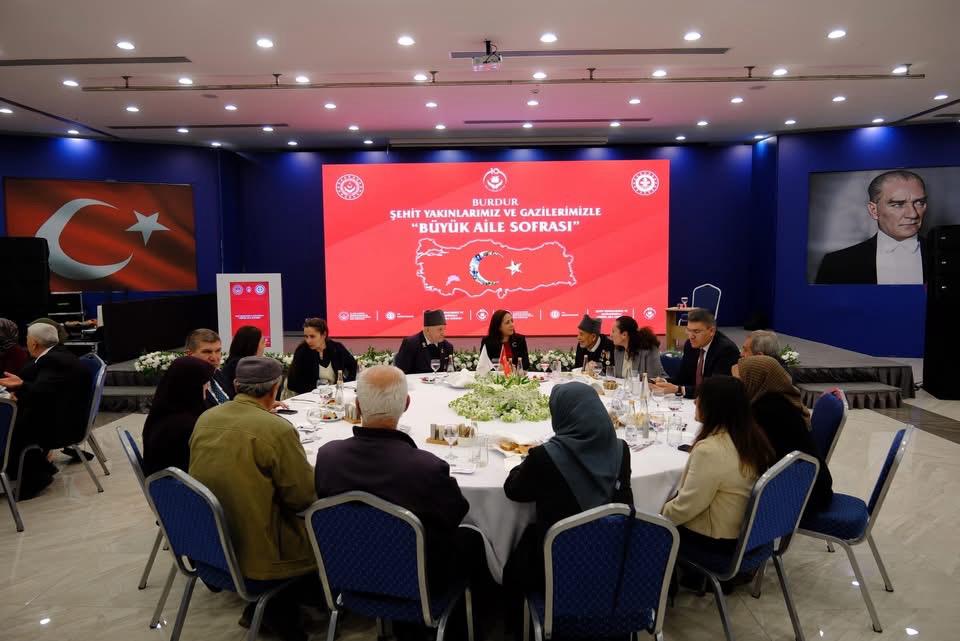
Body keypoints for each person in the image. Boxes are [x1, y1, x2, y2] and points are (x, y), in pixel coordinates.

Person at [314, 365, 483, 594]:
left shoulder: (328, 457)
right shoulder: (426, 468)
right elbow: (456, 514)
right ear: (406, 404)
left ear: (358, 406)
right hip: (418, 582)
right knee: (472, 537)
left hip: (347, 572)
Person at [189, 356, 317, 641]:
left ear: (236, 386)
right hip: (261, 550)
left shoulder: (206, 419)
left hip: (211, 541)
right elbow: (302, 497)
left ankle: (267, 609)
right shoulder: (277, 429)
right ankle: (295, 607)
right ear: (275, 388)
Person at [503, 382, 633, 592]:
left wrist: (522, 464)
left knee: (508, 566)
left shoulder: (545, 456)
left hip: (556, 564)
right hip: (611, 558)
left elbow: (513, 490)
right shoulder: (620, 449)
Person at [662, 376, 775, 559]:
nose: (695, 402)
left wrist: (655, 515)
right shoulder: (750, 437)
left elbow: (686, 507)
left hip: (714, 542)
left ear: (714, 407)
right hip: (744, 534)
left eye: (700, 397)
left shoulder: (710, 451)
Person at [0, 323, 92, 499]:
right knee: (17, 418)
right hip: (69, 415)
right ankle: (40, 467)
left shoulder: (52, 361)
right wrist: (21, 387)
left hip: (65, 426)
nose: (26, 342)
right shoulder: (60, 354)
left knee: (11, 427)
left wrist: (21, 387)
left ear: (34, 343)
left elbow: (42, 393)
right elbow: (47, 389)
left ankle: (36, 477)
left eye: (27, 338)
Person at [734, 355, 833, 514]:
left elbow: (748, 453)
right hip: (811, 483)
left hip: (802, 496)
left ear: (755, 381)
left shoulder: (766, 410)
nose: (734, 387)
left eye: (738, 381)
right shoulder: (777, 400)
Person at [816, 170, 928, 284]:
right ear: (873, 210)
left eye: (919, 203)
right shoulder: (836, 263)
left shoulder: (940, 254)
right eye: (898, 204)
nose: (913, 214)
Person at [141, 356, 215, 477]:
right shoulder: (183, 425)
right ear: (190, 386)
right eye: (204, 383)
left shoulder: (165, 410)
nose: (207, 387)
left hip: (169, 481)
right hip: (181, 485)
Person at [653, 308, 739, 399]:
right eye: (688, 330)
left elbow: (715, 390)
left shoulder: (726, 350)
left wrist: (679, 389)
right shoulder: (690, 345)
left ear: (711, 331)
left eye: (696, 331)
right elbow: (683, 378)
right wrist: (663, 382)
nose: (691, 336)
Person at [286, 318, 358, 393]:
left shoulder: (337, 348)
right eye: (306, 336)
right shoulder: (302, 351)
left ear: (324, 335)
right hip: (311, 396)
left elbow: (353, 365)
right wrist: (313, 392)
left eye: (312, 336)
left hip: (335, 394)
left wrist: (346, 384)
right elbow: (292, 383)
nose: (308, 341)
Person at [394, 310, 455, 375]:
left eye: (444, 329)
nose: (443, 333)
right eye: (440, 329)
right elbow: (400, 373)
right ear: (427, 330)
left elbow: (450, 372)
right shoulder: (411, 344)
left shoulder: (447, 346)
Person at [184, 328, 229, 406]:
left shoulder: (218, 373)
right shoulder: (185, 386)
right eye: (207, 352)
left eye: (218, 351)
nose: (214, 358)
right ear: (189, 355)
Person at [221, 325, 265, 398]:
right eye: (263, 342)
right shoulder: (240, 366)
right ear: (253, 345)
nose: (264, 346)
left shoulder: (234, 362)